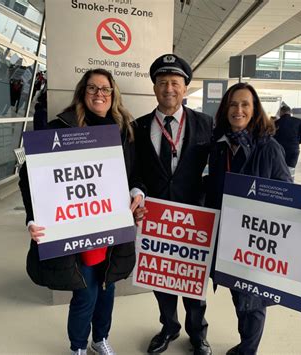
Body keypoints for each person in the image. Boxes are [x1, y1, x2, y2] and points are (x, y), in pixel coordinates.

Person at [19, 68, 145, 355]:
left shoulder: (124, 129)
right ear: (82, 92)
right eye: (92, 88)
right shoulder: (59, 128)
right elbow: (29, 177)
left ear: (113, 95)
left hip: (112, 227)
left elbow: (136, 173)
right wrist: (32, 218)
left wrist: (137, 192)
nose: (99, 94)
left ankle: (100, 339)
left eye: (105, 89)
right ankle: (78, 346)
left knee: (107, 287)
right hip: (76, 228)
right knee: (85, 290)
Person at [204, 82, 301, 355]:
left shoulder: (268, 148)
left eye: (245, 104)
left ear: (255, 109)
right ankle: (245, 344)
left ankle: (248, 350)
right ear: (226, 108)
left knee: (253, 302)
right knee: (239, 297)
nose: (238, 109)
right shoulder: (219, 146)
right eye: (233, 104)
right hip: (228, 237)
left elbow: (287, 191)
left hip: (256, 240)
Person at [133, 54, 213, 355]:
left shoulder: (206, 124)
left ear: (185, 88)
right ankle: (169, 327)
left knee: (194, 282)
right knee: (162, 279)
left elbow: (217, 169)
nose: (169, 88)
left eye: (175, 83)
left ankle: (197, 333)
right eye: (163, 82)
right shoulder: (138, 127)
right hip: (156, 219)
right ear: (154, 88)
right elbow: (136, 171)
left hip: (195, 218)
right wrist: (137, 193)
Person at [273, 104, 301, 168]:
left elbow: (272, 137)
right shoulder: (298, 121)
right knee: (291, 169)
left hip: (279, 149)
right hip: (293, 149)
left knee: (279, 169)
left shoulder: (276, 123)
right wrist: (296, 143)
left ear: (281, 112)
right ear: (290, 112)